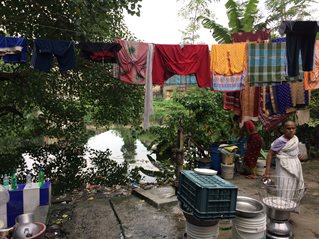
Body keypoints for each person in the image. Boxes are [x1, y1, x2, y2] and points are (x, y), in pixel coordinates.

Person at [264, 121, 304, 190]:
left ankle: (291, 200)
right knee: (285, 186)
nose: (291, 130)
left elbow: (293, 152)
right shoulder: (280, 141)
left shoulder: (295, 139)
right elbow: (270, 154)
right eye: (288, 128)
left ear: (295, 129)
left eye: (293, 128)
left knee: (294, 187)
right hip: (284, 167)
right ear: (284, 129)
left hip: (295, 166)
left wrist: (298, 157)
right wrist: (267, 171)